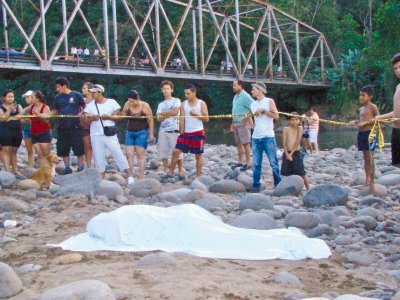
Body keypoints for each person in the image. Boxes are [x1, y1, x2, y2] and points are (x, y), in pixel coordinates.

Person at [83, 84, 133, 182]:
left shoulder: (112, 102)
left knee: (118, 153)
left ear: (100, 92)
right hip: (95, 135)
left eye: (94, 92)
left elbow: (118, 118)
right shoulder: (90, 105)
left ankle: (130, 177)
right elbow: (85, 121)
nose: (92, 94)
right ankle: (101, 179)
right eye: (91, 92)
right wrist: (92, 118)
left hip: (109, 134)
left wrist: (109, 117)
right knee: (98, 157)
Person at [39, 77, 85, 174]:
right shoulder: (57, 97)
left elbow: (84, 106)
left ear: (64, 86)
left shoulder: (76, 95)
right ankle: (67, 167)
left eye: (58, 87)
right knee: (63, 148)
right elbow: (55, 110)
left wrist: (82, 113)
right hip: (62, 126)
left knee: (79, 147)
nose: (57, 89)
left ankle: (81, 166)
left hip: (75, 126)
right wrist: (46, 115)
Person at [163, 84, 209, 179]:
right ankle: (170, 172)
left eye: (188, 94)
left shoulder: (201, 103)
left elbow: (206, 118)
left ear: (194, 93)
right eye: (185, 94)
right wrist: (181, 132)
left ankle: (198, 176)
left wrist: (196, 115)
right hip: (186, 133)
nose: (186, 95)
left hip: (198, 132)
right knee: (176, 151)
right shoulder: (183, 104)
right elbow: (182, 119)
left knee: (198, 155)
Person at [250, 82, 281, 192]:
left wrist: (264, 111)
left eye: (254, 89)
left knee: (273, 162)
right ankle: (255, 186)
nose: (252, 91)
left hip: (268, 136)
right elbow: (253, 116)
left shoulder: (269, 101)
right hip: (256, 137)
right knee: (256, 163)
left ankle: (278, 184)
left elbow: (276, 115)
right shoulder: (252, 104)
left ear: (260, 90)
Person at [350, 86, 380, 195]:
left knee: (370, 157)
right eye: (360, 95)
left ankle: (372, 182)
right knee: (365, 158)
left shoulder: (373, 107)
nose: (360, 97)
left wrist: (367, 123)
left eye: (363, 95)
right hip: (361, 134)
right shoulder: (361, 109)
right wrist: (355, 122)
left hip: (370, 134)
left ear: (370, 96)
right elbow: (361, 120)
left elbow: (378, 119)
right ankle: (367, 179)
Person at [121, 90, 155, 181]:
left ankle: (140, 177)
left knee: (140, 154)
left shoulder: (145, 105)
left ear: (138, 99)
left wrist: (151, 134)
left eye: (133, 101)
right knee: (129, 154)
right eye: (130, 101)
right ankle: (131, 176)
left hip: (142, 132)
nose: (131, 103)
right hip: (130, 131)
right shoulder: (127, 104)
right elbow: (122, 115)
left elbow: (150, 120)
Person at [375, 53, 400, 166]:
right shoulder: (398, 87)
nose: (398, 70)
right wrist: (380, 117)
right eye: (395, 68)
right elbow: (396, 112)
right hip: (396, 130)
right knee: (395, 164)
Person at [156, 80, 184, 177]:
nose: (166, 90)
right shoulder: (161, 104)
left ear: (171, 90)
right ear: (162, 90)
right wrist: (168, 113)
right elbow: (158, 118)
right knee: (163, 152)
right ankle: (166, 170)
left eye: (168, 89)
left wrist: (163, 114)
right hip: (163, 130)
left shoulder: (176, 101)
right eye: (164, 89)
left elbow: (175, 112)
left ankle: (180, 171)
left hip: (174, 129)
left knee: (177, 152)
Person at [281, 112, 310, 190]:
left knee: (300, 171)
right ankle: (290, 188)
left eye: (296, 119)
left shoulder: (300, 128)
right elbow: (284, 142)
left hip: (296, 152)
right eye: (292, 120)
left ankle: (308, 187)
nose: (294, 121)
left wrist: (291, 153)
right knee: (287, 171)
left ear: (299, 120)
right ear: (289, 121)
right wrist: (287, 154)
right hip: (287, 152)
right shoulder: (286, 129)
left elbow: (298, 140)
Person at [230, 79, 254, 171]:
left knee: (246, 143)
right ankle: (240, 162)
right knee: (238, 143)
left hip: (243, 122)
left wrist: (247, 118)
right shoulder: (236, 96)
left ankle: (248, 163)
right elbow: (235, 110)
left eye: (235, 85)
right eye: (233, 85)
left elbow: (253, 106)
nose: (233, 87)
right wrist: (232, 122)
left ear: (240, 86)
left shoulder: (245, 96)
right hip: (236, 122)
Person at [0, 89, 24, 177]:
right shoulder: (1, 107)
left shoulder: (18, 106)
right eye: (9, 97)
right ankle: (7, 170)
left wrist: (12, 118)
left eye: (12, 97)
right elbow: (2, 119)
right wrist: (9, 110)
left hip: (16, 131)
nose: (11, 98)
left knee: (14, 151)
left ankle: (15, 169)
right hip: (5, 131)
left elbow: (22, 118)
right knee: (6, 150)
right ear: (4, 98)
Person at [28, 91, 52, 168]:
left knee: (46, 154)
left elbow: (47, 121)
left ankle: (49, 170)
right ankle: (42, 171)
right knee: (39, 154)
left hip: (44, 132)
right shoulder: (31, 107)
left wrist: (38, 115)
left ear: (37, 99)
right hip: (34, 133)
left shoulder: (45, 107)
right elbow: (30, 120)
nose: (30, 98)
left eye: (32, 97)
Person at [81, 82, 94, 168]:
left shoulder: (95, 101)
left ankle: (97, 165)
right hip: (84, 126)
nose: (82, 90)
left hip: (94, 126)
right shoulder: (82, 101)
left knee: (95, 146)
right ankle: (89, 165)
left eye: (84, 88)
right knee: (87, 146)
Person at [21, 90, 34, 168]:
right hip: (26, 130)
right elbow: (21, 120)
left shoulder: (37, 107)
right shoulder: (25, 109)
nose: (26, 99)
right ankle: (30, 167)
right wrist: (27, 120)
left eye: (28, 97)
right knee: (29, 150)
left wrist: (26, 119)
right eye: (25, 97)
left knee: (40, 151)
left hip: (36, 131)